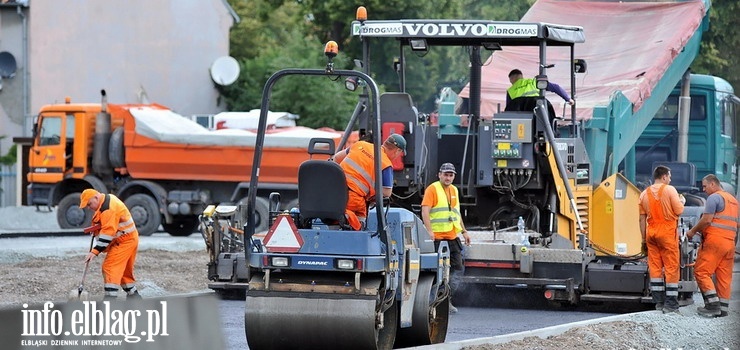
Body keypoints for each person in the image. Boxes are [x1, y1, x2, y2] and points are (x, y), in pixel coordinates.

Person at [421, 163, 471, 313]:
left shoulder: (454, 190)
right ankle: (430, 302)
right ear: (439, 174)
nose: (448, 177)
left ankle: (445, 300)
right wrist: (429, 231)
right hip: (436, 238)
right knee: (436, 271)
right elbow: (425, 210)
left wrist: (464, 231)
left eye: (451, 175)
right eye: (446, 174)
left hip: (451, 236)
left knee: (457, 269)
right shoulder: (433, 189)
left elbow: (456, 213)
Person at [686, 174, 738, 318]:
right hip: (729, 243)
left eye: (705, 186)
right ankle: (723, 309)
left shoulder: (714, 197)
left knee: (701, 272)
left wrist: (692, 231)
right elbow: (736, 226)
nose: (704, 190)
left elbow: (707, 220)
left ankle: (712, 306)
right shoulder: (733, 201)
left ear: (713, 184)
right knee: (724, 277)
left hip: (715, 241)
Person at [332, 133, 406, 228]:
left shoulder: (360, 145)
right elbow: (386, 193)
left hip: (332, 191)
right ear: (397, 151)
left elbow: (336, 158)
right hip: (352, 199)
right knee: (361, 217)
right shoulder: (385, 164)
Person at [638, 165, 685, 314]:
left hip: (651, 234)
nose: (670, 179)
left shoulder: (644, 194)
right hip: (667, 233)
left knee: (655, 267)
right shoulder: (670, 190)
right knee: (671, 267)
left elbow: (641, 219)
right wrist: (681, 201)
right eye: (669, 177)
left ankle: (659, 303)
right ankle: (671, 304)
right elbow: (678, 210)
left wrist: (643, 240)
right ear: (664, 177)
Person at [80, 189, 142, 300]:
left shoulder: (108, 208)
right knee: (122, 271)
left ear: (96, 198)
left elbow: (108, 233)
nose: (89, 208)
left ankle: (110, 299)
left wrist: (94, 252)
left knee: (110, 267)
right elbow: (105, 222)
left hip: (124, 241)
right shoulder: (105, 202)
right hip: (128, 239)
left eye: (89, 204)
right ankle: (135, 297)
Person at [506, 69, 574, 113]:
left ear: (512, 78)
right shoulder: (533, 82)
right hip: (538, 112)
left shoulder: (510, 90)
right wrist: (568, 99)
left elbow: (509, 108)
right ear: (521, 76)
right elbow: (556, 88)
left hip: (520, 118)